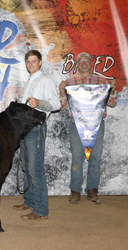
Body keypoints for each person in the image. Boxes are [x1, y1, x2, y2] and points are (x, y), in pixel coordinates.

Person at [59, 52, 118, 204]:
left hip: (97, 124)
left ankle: (92, 189)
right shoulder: (69, 82)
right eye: (81, 61)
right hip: (76, 124)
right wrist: (61, 90)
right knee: (77, 158)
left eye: (86, 61)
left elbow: (112, 103)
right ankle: (75, 190)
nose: (84, 63)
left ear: (91, 63)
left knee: (95, 159)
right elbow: (63, 105)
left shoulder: (103, 81)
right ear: (77, 65)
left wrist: (113, 89)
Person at [13, 50, 60, 220]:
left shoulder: (45, 80)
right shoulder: (30, 81)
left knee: (35, 169)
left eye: (34, 61)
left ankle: (41, 210)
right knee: (26, 167)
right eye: (28, 61)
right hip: (26, 129)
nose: (31, 64)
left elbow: (56, 104)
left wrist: (39, 102)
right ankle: (30, 201)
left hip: (36, 129)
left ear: (40, 62)